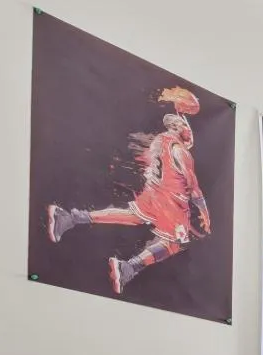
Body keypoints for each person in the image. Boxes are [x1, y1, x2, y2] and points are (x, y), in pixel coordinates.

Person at [45, 86, 211, 294]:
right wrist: (205, 214)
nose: (189, 129)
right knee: (173, 244)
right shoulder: (181, 152)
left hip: (155, 192)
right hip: (171, 201)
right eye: (185, 125)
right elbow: (194, 189)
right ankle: (128, 267)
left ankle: (70, 218)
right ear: (177, 127)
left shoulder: (161, 140)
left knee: (133, 217)